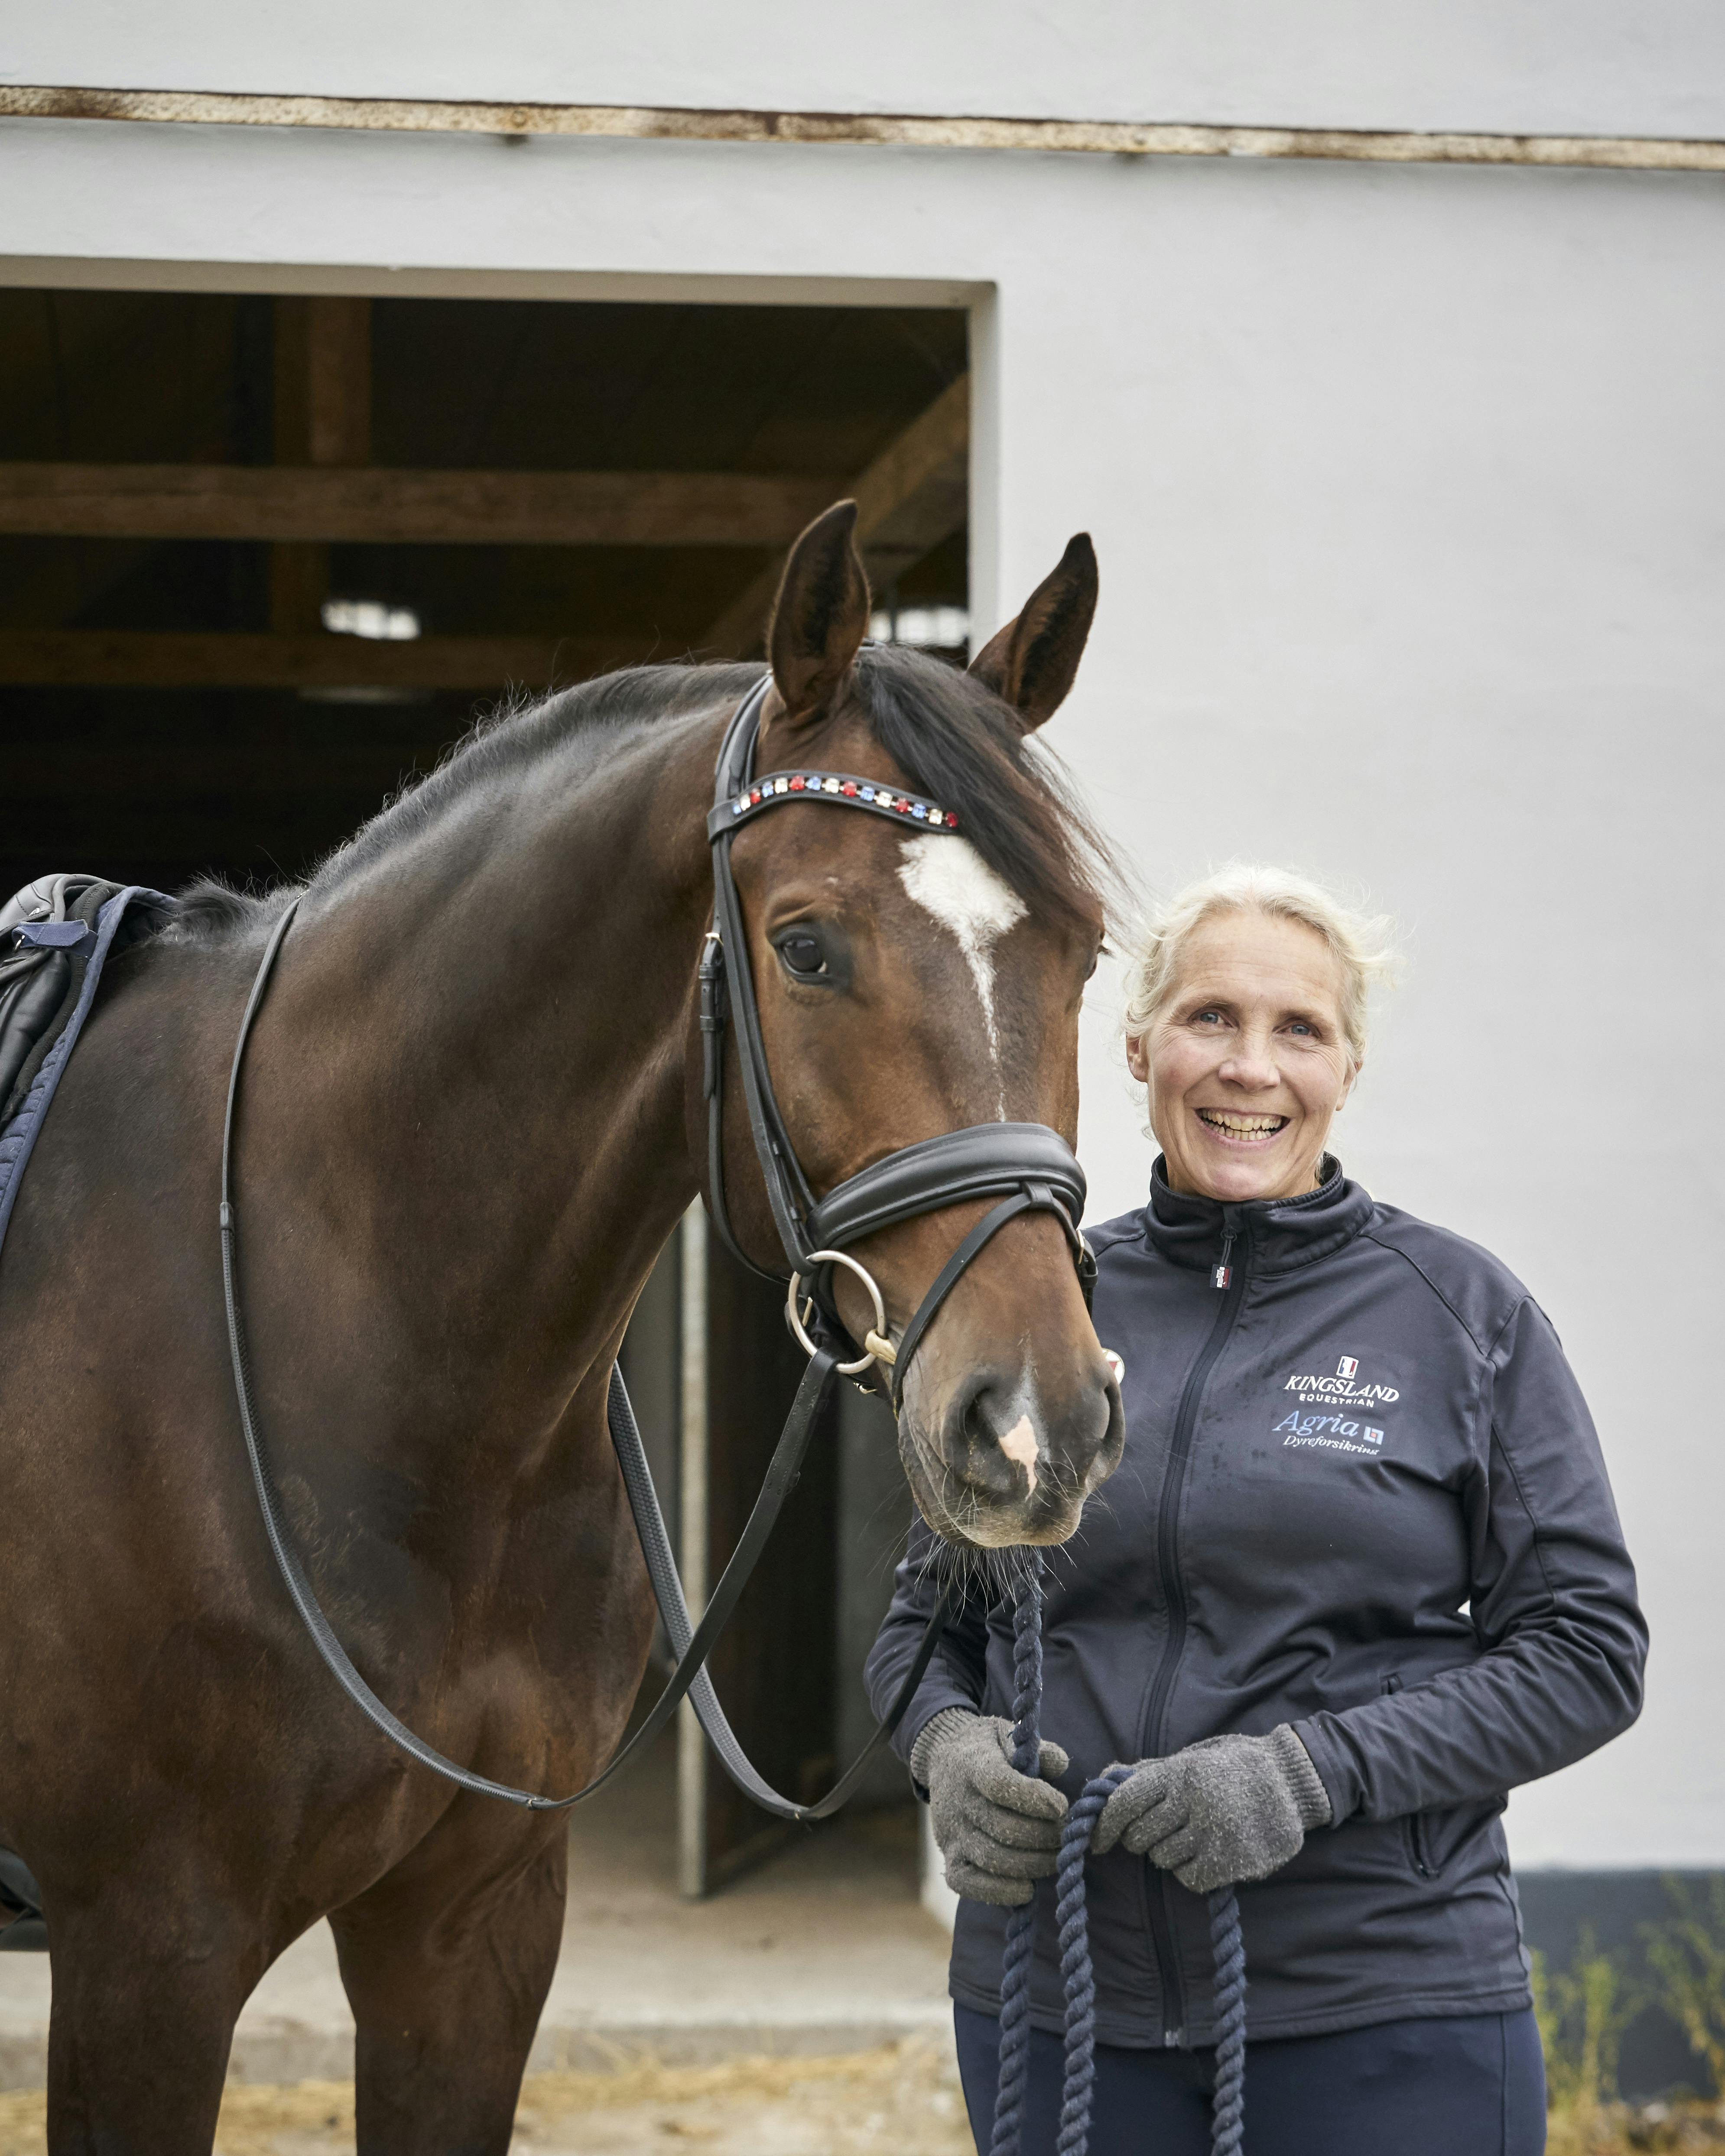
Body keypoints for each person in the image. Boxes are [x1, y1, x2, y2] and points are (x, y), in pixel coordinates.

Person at [866, 864, 1646, 2156]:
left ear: (1347, 1072)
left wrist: (1307, 1775)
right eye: (1210, 1018)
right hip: (1057, 2022)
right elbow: (921, 1636)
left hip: (1383, 2015)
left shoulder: (1460, 1315)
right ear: (1138, 1047)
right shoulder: (1049, 1310)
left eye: (1300, 1030)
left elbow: (1585, 1654)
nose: (1250, 1067)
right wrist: (946, 1749)